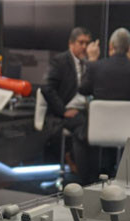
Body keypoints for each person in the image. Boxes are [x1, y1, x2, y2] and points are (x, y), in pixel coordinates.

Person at [79, 28, 130, 177]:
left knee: (79, 128)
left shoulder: (95, 67)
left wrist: (91, 60)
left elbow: (82, 89)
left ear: (110, 46)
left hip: (99, 130)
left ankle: (90, 176)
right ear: (129, 47)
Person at [42, 27, 100, 184]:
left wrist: (93, 63)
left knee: (98, 124)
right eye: (81, 43)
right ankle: (85, 178)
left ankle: (96, 174)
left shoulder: (90, 62)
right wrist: (63, 110)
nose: (84, 47)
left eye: (87, 43)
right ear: (71, 44)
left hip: (87, 110)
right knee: (83, 127)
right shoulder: (60, 61)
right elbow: (46, 88)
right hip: (64, 112)